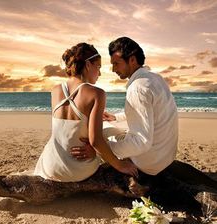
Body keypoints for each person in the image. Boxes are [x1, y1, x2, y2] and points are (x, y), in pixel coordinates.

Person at [71, 37, 178, 176]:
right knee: (111, 123)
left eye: (116, 63)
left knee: (104, 130)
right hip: (165, 156)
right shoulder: (155, 78)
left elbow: (141, 142)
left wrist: (100, 150)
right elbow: (149, 114)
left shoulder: (138, 88)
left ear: (132, 60)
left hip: (149, 163)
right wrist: (116, 117)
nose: (114, 69)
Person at [34, 42, 138, 182]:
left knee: (105, 127)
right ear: (88, 65)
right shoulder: (97, 94)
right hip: (76, 169)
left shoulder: (56, 90)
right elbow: (96, 141)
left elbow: (64, 131)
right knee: (114, 132)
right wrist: (120, 165)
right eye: (98, 67)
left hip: (50, 166)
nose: (100, 73)